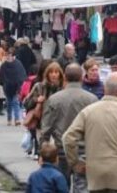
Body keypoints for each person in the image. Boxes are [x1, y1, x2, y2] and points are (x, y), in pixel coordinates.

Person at [63, 72, 117, 192]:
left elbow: (68, 138)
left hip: (95, 174)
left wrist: (75, 163)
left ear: (104, 88)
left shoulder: (88, 111)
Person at [41, 63, 98, 191]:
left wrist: (43, 153)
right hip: (85, 153)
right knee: (83, 188)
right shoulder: (92, 99)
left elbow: (46, 129)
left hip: (62, 152)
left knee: (61, 187)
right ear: (82, 77)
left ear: (65, 77)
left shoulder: (54, 99)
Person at [24, 62, 64, 159]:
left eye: (56, 72)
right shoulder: (39, 86)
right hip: (42, 124)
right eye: (51, 72)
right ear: (47, 74)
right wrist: (36, 100)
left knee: (56, 150)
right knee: (45, 151)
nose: (54, 75)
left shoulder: (63, 88)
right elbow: (26, 103)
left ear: (60, 74)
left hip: (58, 125)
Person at [0, 47, 27, 126]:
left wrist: (20, 86)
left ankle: (17, 119)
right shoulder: (4, 65)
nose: (9, 57)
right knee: (9, 103)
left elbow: (21, 76)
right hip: (7, 87)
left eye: (10, 55)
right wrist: (3, 84)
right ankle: (9, 118)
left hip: (16, 87)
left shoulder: (18, 64)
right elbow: (1, 77)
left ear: (13, 56)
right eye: (7, 55)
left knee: (15, 102)